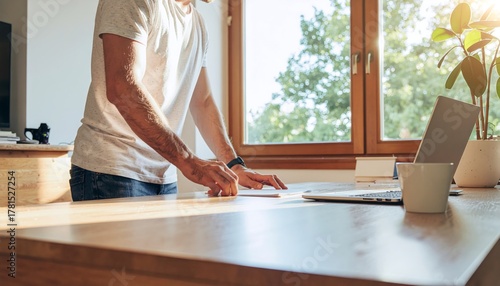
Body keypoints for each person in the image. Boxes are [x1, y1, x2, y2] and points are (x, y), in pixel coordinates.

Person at [70, 0, 287, 201]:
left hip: (164, 175)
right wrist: (189, 162)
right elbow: (122, 88)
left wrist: (234, 165)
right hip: (111, 172)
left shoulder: (197, 23)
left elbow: (203, 101)